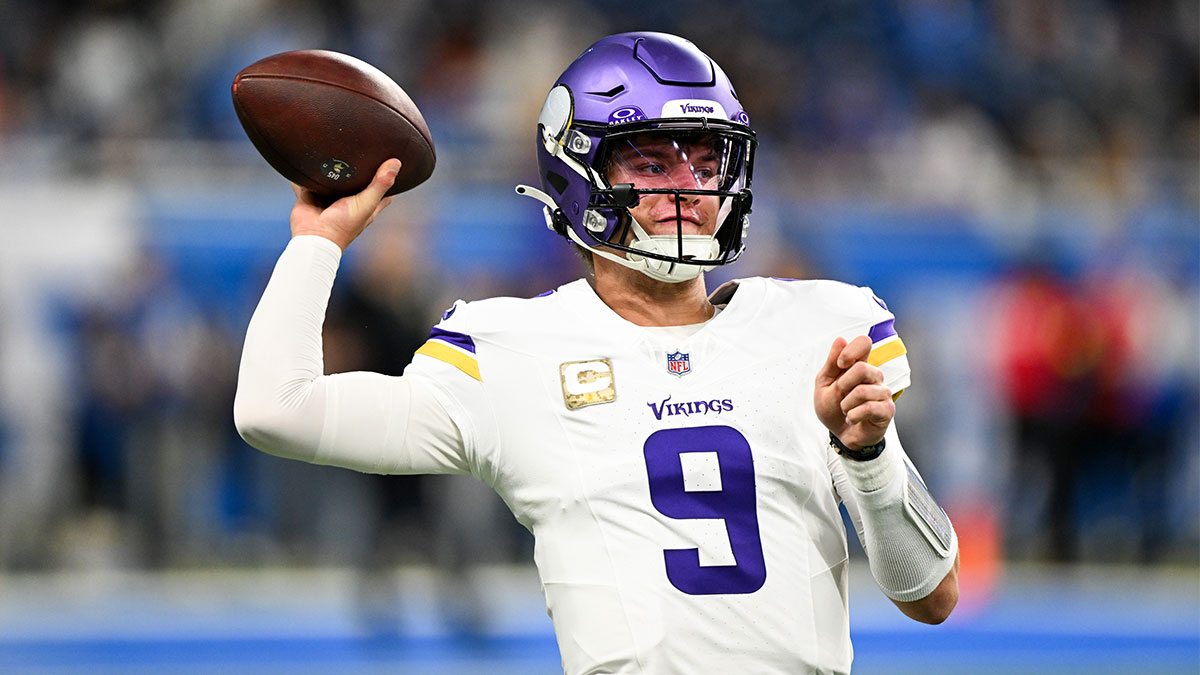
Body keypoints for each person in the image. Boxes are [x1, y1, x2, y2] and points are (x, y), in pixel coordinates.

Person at [235, 32, 959, 675]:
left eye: (707, 157)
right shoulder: (512, 350)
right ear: (578, 173)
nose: (692, 188)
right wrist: (317, 242)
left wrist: (869, 455)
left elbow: (932, 594)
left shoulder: (820, 326)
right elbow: (277, 410)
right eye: (652, 160)